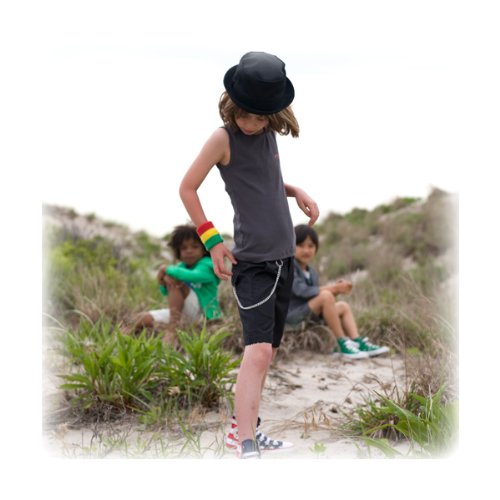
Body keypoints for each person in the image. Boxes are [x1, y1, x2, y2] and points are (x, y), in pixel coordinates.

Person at [178, 52, 319, 458]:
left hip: (284, 260)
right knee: (256, 351)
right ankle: (244, 443)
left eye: (260, 117)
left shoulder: (269, 134)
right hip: (253, 264)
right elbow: (187, 187)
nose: (252, 123)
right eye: (246, 114)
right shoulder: (223, 139)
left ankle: (247, 429)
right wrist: (212, 242)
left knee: (267, 353)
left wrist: (296, 191)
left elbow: (264, 181)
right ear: (233, 102)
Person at [287, 224, 389, 359]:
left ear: (316, 248)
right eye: (300, 245)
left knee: (343, 306)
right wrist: (333, 288)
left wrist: (336, 290)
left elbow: (314, 296)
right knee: (326, 295)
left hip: (308, 315)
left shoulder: (312, 272)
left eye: (311, 246)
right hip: (291, 316)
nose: (306, 250)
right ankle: (341, 343)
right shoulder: (288, 267)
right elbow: (301, 291)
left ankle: (357, 341)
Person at [130, 224, 222, 344]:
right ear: (178, 252)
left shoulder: (208, 265)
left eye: (195, 247)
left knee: (173, 280)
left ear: (204, 249)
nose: (189, 251)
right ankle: (118, 340)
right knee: (141, 318)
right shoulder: (180, 267)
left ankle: (172, 329)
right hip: (182, 314)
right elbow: (165, 292)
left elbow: (194, 276)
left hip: (203, 316)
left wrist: (166, 269)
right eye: (184, 248)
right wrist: (162, 281)